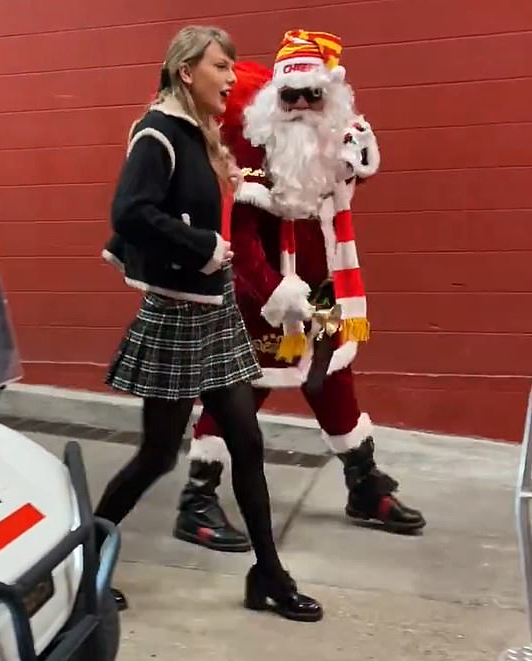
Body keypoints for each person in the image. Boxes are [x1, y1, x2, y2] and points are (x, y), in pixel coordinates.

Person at [97, 25, 322, 622]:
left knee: (247, 442)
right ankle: (83, 558)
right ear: (186, 71)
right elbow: (131, 210)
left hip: (213, 310)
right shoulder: (158, 133)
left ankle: (268, 575)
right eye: (221, 66)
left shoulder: (200, 134)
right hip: (177, 310)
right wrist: (202, 245)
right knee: (157, 454)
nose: (231, 77)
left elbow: (195, 198)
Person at [172, 30, 426, 554]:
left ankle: (363, 483)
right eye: (292, 97)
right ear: (275, 101)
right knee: (243, 390)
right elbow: (236, 231)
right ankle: (197, 499)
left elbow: (340, 190)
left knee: (332, 376)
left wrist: (362, 160)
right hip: (262, 295)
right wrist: (270, 290)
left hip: (325, 289)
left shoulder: (330, 142)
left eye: (315, 96)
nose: (304, 107)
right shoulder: (249, 152)